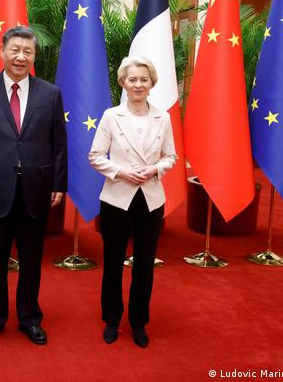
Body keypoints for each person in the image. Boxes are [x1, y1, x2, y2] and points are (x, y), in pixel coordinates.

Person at [0, 26, 67, 345]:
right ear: (2, 52)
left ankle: (29, 318)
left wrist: (58, 183)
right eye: (15, 49)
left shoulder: (50, 93)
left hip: (37, 189)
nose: (21, 56)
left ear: (34, 56)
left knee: (32, 260)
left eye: (28, 51)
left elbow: (59, 144)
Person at [88, 56, 177, 348]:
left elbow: (171, 157)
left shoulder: (162, 117)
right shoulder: (111, 116)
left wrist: (155, 169)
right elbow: (95, 156)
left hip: (150, 199)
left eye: (143, 79)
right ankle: (112, 319)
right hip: (116, 198)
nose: (138, 84)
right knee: (113, 262)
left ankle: (139, 322)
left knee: (144, 265)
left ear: (151, 83)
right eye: (132, 79)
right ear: (123, 83)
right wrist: (120, 172)